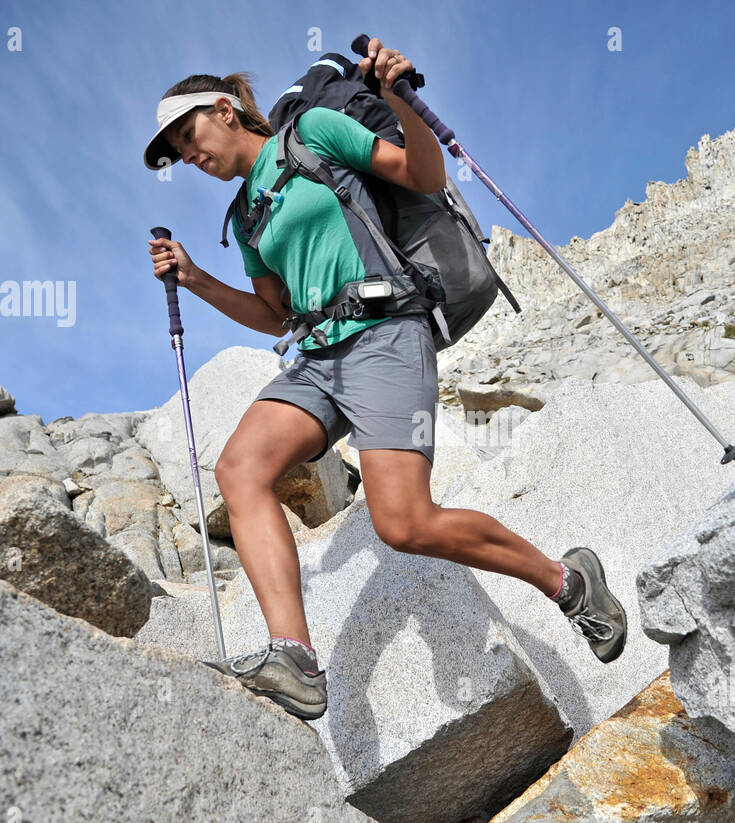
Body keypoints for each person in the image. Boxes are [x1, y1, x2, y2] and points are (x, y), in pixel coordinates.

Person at [144, 38, 627, 721]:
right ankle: (296, 657)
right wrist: (195, 279)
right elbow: (273, 313)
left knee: (403, 521)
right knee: (239, 468)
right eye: (177, 154)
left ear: (225, 111)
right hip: (316, 356)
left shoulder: (309, 135)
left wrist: (402, 99)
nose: (188, 157)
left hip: (385, 331)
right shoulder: (244, 216)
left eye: (188, 138)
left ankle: (570, 582)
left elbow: (421, 176)